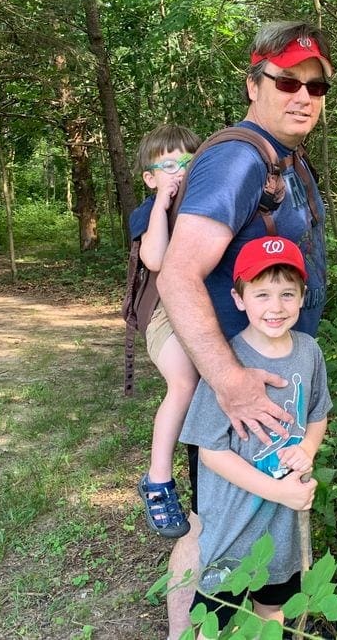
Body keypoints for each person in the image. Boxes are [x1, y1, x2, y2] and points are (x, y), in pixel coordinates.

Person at [156, 21, 332, 638]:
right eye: (287, 81)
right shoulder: (238, 161)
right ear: (253, 83)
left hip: (273, 380)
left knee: (263, 518)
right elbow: (178, 275)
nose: (303, 96)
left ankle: (270, 625)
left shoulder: (284, 158)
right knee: (211, 528)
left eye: (315, 87)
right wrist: (230, 382)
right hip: (237, 392)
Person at [178, 236, 330, 632]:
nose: (275, 307)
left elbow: (317, 412)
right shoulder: (228, 363)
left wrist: (308, 449)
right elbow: (210, 452)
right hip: (234, 526)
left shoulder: (309, 351)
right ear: (239, 298)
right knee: (211, 620)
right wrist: (280, 491)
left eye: (286, 293)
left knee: (272, 611)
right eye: (261, 294)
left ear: (302, 297)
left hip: (282, 527)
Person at [128, 124, 203, 539]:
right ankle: (158, 479)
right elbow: (155, 258)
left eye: (188, 162)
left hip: (199, 310)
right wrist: (161, 205)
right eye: (168, 164)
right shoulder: (147, 211)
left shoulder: (205, 205)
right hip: (164, 315)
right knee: (184, 382)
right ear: (150, 176)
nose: (179, 171)